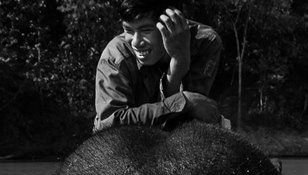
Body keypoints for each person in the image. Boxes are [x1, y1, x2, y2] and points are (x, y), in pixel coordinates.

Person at [94, 2, 223, 131]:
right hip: (126, 145)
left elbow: (194, 115)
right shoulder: (115, 57)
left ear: (172, 24)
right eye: (128, 30)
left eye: (146, 30)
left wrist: (178, 62)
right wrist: (182, 102)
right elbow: (109, 125)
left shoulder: (204, 43)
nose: (136, 42)